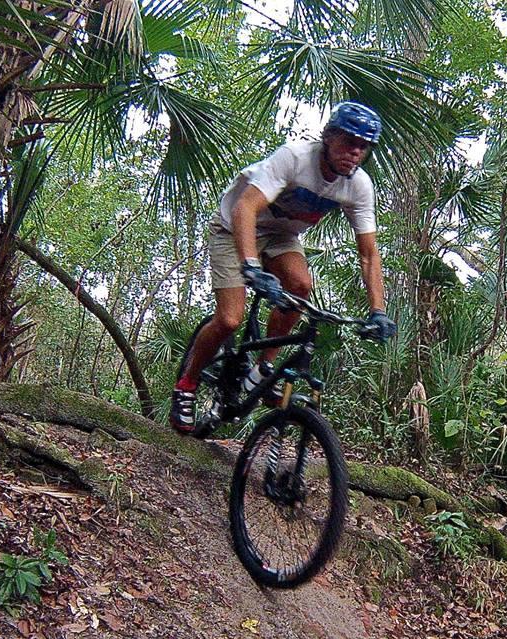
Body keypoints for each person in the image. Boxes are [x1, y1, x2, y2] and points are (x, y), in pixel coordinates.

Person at [170, 101, 397, 434]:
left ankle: (264, 368)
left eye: (363, 147)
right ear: (329, 136)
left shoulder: (358, 185)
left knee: (301, 287)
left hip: (282, 235)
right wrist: (250, 266)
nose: (355, 152)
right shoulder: (294, 158)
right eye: (349, 141)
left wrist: (378, 310)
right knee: (230, 317)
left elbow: (369, 255)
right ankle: (187, 385)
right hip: (235, 225)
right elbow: (245, 208)